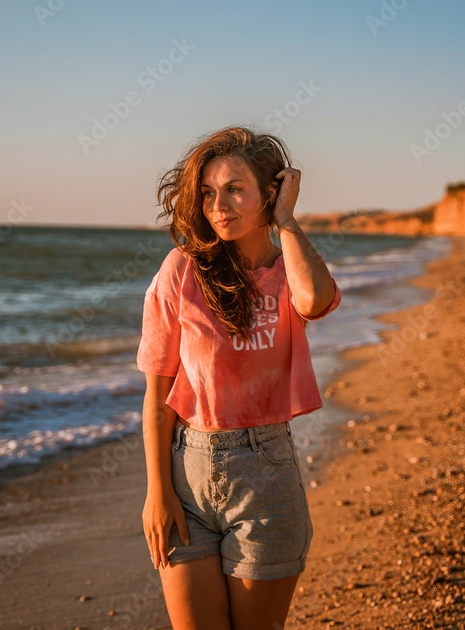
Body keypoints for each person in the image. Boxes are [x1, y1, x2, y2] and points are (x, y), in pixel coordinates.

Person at [136, 126, 342, 629]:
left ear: (268, 193)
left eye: (234, 189)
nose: (217, 205)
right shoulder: (180, 271)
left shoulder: (288, 272)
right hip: (187, 476)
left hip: (266, 476)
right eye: (207, 192)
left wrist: (287, 220)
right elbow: (158, 394)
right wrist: (156, 492)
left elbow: (315, 301)